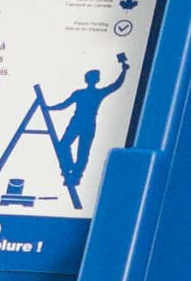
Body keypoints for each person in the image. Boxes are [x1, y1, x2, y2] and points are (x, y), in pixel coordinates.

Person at [46, 53, 130, 188]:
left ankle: (75, 175)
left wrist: (124, 71)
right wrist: (50, 108)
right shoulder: (80, 93)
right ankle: (69, 169)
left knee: (82, 151)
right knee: (64, 145)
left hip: (87, 123)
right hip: (77, 122)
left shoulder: (97, 93)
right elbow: (64, 104)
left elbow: (115, 85)